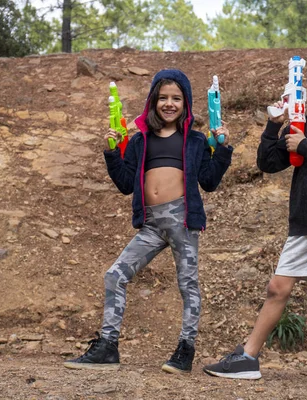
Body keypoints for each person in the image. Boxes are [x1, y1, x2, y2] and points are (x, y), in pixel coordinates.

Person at [203, 53, 307, 387]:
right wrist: (275, 124)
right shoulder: (303, 120)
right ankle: (248, 357)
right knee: (277, 287)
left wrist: (304, 145)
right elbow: (269, 163)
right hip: (303, 222)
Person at [64, 69, 233, 375]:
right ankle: (107, 347)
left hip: (183, 218)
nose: (169, 104)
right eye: (163, 97)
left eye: (176, 98)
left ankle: (185, 350)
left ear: (186, 103)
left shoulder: (195, 140)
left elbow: (208, 181)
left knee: (187, 285)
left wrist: (221, 149)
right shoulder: (141, 141)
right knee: (115, 275)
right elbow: (127, 183)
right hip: (152, 224)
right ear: (153, 101)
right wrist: (113, 152)